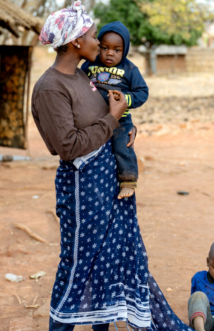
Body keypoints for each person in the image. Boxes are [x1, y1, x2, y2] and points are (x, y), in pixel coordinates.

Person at [32, 3, 208, 331]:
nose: (97, 41)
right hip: (84, 189)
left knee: (112, 257)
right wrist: (112, 120)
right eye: (92, 35)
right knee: (79, 260)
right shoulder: (51, 88)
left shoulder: (84, 76)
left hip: (109, 180)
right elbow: (68, 147)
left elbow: (106, 114)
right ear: (74, 42)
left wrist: (123, 122)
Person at [80, 21, 149, 200]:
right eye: (105, 47)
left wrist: (126, 100)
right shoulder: (89, 65)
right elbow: (79, 83)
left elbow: (142, 92)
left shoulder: (130, 69)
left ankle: (128, 180)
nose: (110, 52)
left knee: (122, 146)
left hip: (120, 118)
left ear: (124, 51)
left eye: (117, 50)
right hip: (94, 118)